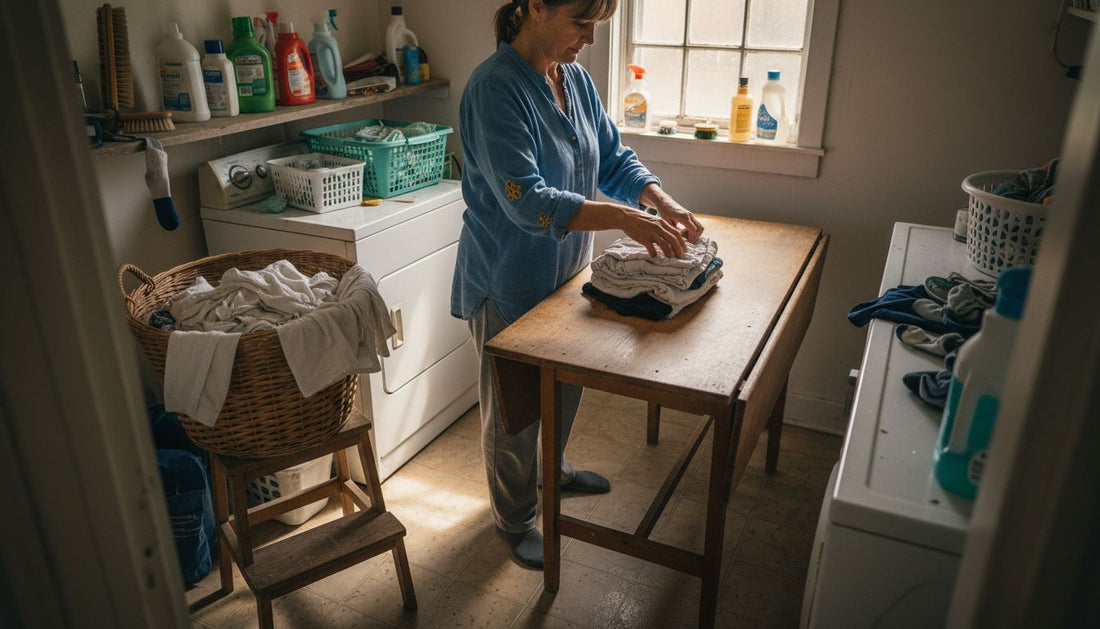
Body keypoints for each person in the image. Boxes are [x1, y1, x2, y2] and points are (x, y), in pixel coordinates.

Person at [450, 0, 705, 570]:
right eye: (581, 22)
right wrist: (623, 219)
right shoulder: (495, 90)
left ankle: (554, 472)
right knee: (515, 415)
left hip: (566, 277)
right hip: (507, 282)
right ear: (535, 7)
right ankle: (514, 520)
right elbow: (527, 201)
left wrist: (658, 199)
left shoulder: (576, 81)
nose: (589, 38)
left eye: (598, 25)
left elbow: (610, 157)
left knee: (564, 390)